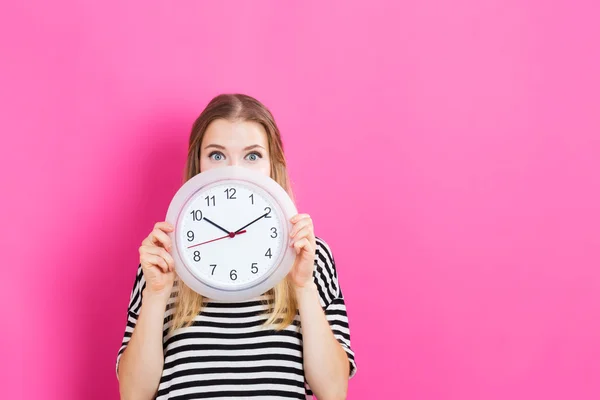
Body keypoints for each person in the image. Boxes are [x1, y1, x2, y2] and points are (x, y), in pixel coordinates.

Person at [116, 93, 357, 399]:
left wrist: (304, 286)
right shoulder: (163, 256)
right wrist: (156, 294)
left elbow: (333, 391)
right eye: (217, 155)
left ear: (273, 165)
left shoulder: (310, 255)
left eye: (252, 156)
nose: (234, 171)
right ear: (198, 165)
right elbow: (134, 394)